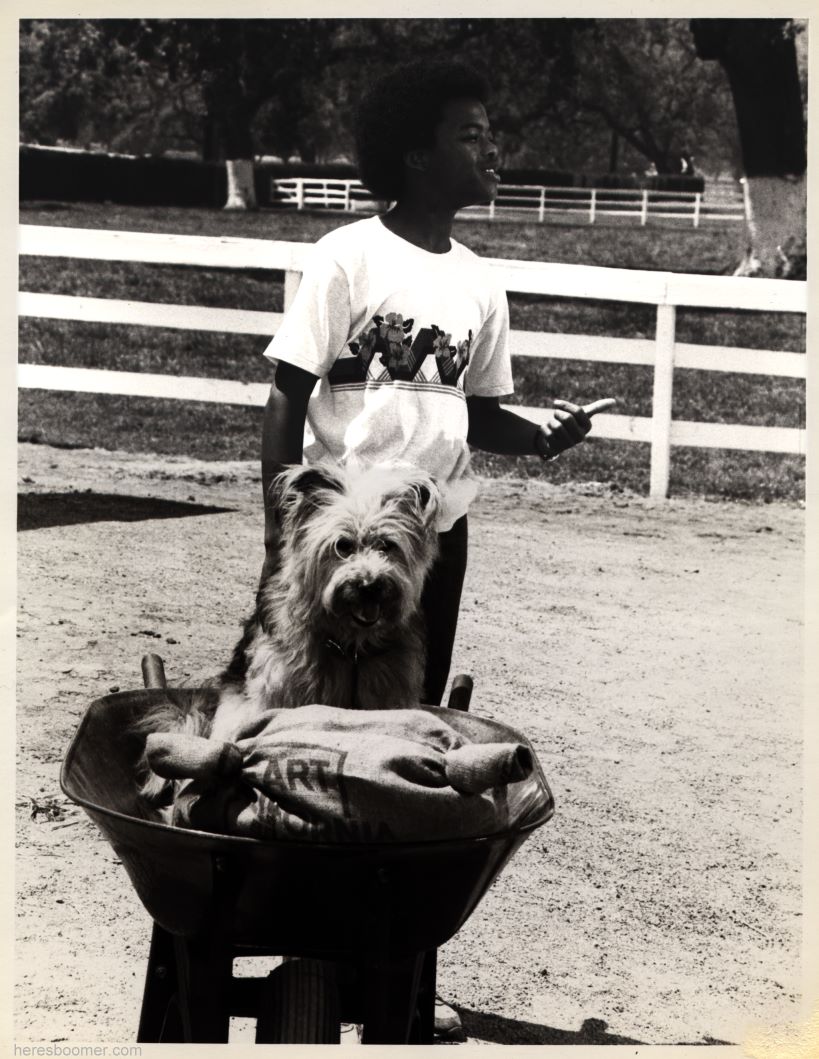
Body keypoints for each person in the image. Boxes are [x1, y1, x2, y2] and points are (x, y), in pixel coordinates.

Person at [259, 61, 611, 1035]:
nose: (493, 149)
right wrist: (286, 538)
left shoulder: (478, 281)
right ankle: (314, 956)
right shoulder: (346, 258)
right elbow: (288, 396)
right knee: (322, 738)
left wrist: (538, 435)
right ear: (416, 154)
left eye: (492, 133)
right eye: (472, 134)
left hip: (433, 547)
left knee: (409, 739)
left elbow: (476, 412)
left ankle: (398, 971)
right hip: (341, 546)